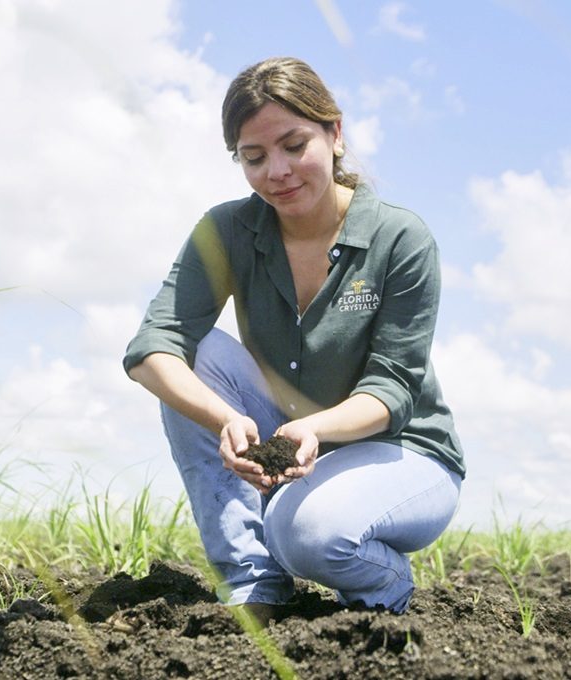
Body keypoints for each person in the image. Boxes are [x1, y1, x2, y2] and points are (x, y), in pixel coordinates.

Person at [123, 57, 465, 618]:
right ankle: (253, 581)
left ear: (334, 134)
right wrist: (225, 420)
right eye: (253, 158)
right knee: (193, 354)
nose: (276, 171)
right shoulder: (227, 230)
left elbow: (392, 388)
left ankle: (385, 591)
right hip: (294, 441)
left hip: (404, 451)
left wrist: (312, 428)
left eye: (293, 145)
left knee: (305, 532)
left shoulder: (400, 238)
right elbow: (149, 348)